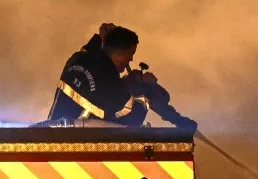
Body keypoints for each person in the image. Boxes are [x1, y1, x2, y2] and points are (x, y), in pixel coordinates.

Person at [44, 22, 196, 130]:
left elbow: (90, 54)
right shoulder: (109, 80)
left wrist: (99, 38)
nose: (131, 60)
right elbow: (130, 121)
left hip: (51, 135)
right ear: (119, 54)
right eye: (131, 54)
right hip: (81, 147)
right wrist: (144, 89)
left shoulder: (77, 58)